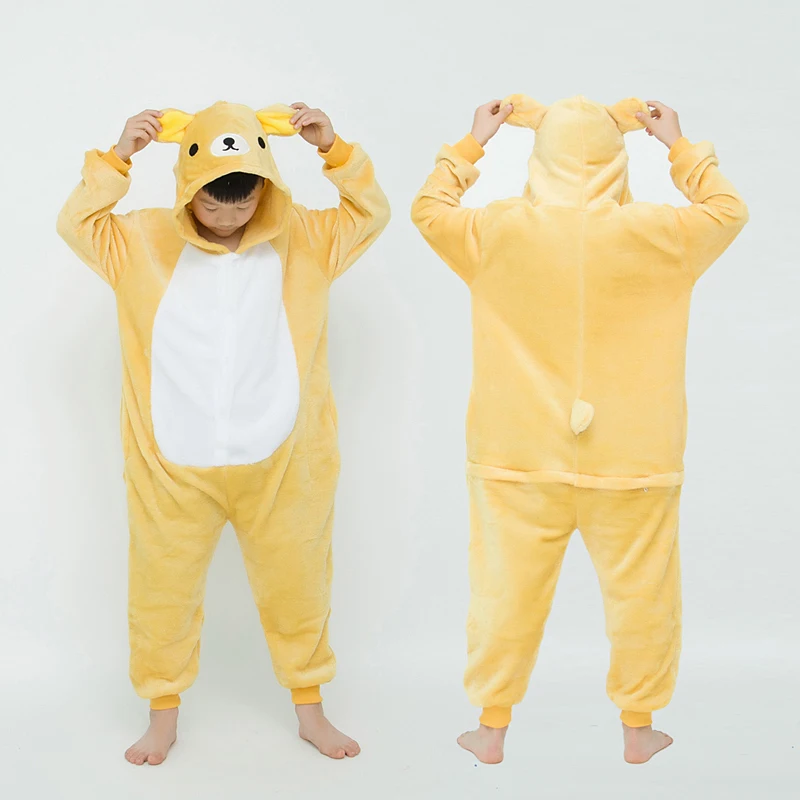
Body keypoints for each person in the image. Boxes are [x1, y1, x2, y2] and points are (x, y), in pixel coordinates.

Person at [411, 95, 748, 765]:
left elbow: (429, 211)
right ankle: (638, 728)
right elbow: (727, 211)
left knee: (504, 595)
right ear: (616, 160)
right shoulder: (660, 233)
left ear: (540, 160)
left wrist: (473, 142)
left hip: (516, 454)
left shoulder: (500, 230)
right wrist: (679, 146)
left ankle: (491, 727)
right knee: (643, 595)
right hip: (635, 459)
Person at [57, 100, 390, 765]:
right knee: (162, 595)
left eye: (245, 204)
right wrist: (119, 158)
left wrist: (334, 150)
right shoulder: (139, 242)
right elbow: (77, 224)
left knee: (300, 589)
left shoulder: (305, 238)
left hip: (284, 462)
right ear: (187, 189)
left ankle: (310, 710)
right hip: (172, 467)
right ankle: (162, 716)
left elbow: (369, 213)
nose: (229, 218)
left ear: (267, 188)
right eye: (212, 204)